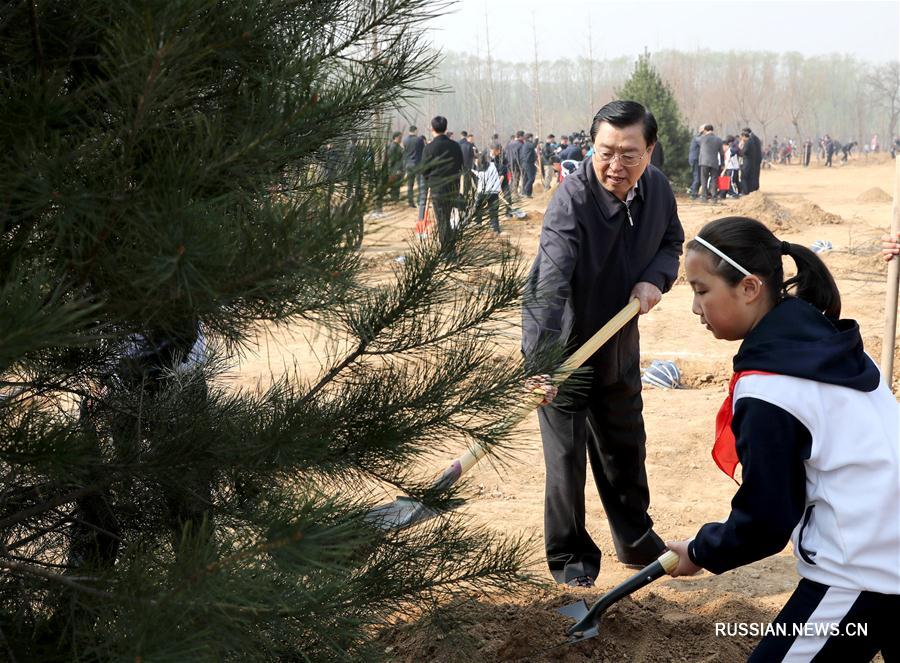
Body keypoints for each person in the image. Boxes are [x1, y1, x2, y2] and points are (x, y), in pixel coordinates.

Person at [667, 216, 899, 661]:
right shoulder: (826, 342)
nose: (695, 308)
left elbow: (767, 518)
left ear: (750, 288)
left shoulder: (772, 387)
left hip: (863, 566)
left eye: (701, 291)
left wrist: (699, 551)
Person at [522, 100, 684, 588]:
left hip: (617, 344)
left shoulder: (657, 190)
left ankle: (635, 539)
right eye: (605, 152)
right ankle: (571, 558)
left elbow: (671, 243)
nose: (616, 166)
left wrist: (656, 279)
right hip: (565, 350)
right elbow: (547, 286)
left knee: (625, 446)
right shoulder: (571, 201)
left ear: (650, 151)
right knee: (566, 461)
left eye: (629, 154)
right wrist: (542, 363)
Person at [421, 116, 464, 251]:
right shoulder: (455, 146)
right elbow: (461, 166)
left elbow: (424, 170)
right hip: (453, 187)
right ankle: (449, 248)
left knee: (443, 220)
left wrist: (430, 181)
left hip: (438, 189)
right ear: (446, 128)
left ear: (432, 129)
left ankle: (447, 251)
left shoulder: (429, 148)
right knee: (446, 218)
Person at [473, 148, 503, 234]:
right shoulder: (493, 165)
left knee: (478, 209)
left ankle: (477, 225)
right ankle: (495, 228)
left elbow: (477, 175)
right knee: (493, 211)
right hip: (494, 191)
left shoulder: (478, 167)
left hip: (482, 192)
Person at [698, 124, 723, 204]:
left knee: (704, 180)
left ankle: (704, 198)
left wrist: (700, 132)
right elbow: (721, 153)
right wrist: (722, 163)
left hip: (704, 162)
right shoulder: (718, 139)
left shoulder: (702, 138)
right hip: (714, 162)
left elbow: (697, 140)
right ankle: (714, 198)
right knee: (714, 180)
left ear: (705, 130)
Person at [403, 126, 425, 209]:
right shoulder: (419, 140)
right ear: (415, 131)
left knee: (410, 184)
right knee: (420, 185)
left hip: (408, 165)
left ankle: (410, 202)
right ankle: (420, 201)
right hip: (417, 164)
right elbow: (423, 151)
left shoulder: (405, 140)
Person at [688, 125, 704, 199]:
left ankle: (693, 191)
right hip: (695, 159)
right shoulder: (697, 137)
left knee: (699, 177)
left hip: (697, 159)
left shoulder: (699, 137)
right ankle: (693, 193)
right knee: (697, 177)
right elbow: (702, 142)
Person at [520, 132, 538, 198]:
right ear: (528, 138)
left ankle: (527, 193)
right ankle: (525, 190)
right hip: (528, 164)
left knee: (526, 179)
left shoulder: (525, 144)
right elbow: (534, 145)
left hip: (526, 163)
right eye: (531, 137)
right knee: (531, 178)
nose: (532, 138)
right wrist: (536, 139)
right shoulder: (528, 144)